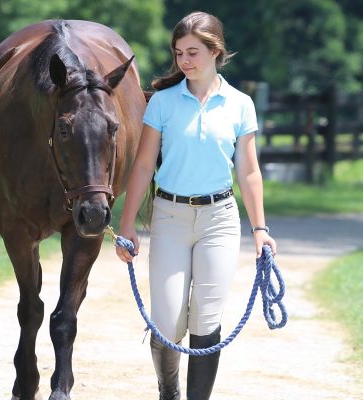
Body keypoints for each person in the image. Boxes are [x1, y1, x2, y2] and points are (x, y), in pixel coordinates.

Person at [115, 11, 277, 400]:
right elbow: (141, 166)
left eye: (192, 52)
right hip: (169, 218)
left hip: (219, 221)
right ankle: (167, 389)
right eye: (179, 53)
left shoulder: (240, 105)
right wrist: (126, 224)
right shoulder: (164, 104)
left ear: (215, 52)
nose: (184, 61)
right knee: (167, 323)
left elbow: (250, 173)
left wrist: (260, 231)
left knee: (206, 319)